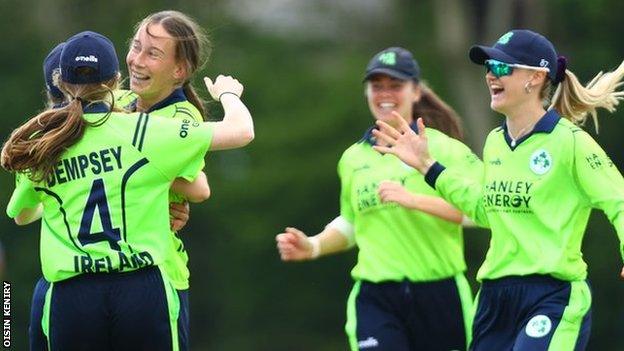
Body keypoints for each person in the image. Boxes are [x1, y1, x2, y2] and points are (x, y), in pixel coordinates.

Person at [372, 29, 624, 351]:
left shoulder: (570, 143)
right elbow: (487, 210)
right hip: (495, 298)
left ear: (535, 77)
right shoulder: (495, 142)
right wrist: (428, 167)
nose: (491, 74)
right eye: (489, 67)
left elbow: (618, 199)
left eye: (503, 67)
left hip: (552, 295)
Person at [2, 30, 253, 350]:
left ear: (61, 85)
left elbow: (22, 215)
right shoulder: (142, 131)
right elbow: (240, 133)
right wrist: (229, 94)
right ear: (116, 81)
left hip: (71, 293)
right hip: (140, 286)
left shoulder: (46, 146)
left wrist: (63, 197)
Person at [276, 47, 482, 351]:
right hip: (377, 296)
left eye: (395, 85)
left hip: (440, 294)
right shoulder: (353, 158)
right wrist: (314, 245)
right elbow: (352, 221)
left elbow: (482, 211)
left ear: (416, 92)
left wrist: (413, 200)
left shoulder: (446, 149)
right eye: (377, 86)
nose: (385, 93)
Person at [122, 11, 213, 350]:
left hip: (160, 274)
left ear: (180, 71)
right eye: (136, 47)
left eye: (153, 53)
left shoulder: (180, 115)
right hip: (109, 273)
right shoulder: (120, 102)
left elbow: (199, 187)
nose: (137, 60)